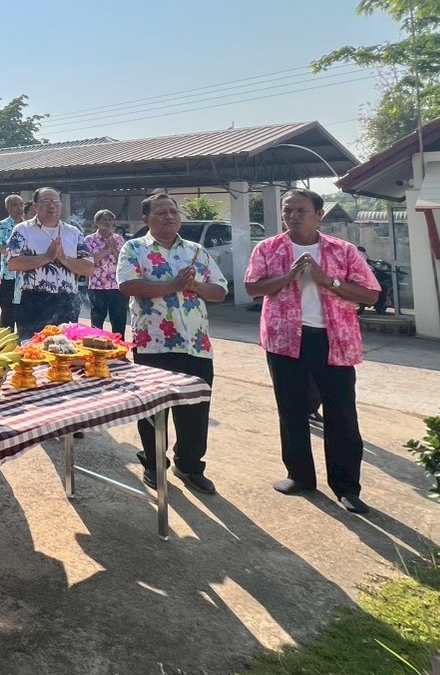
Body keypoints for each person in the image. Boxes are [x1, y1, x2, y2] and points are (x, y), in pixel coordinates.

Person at [244, 189, 381, 515]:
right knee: (291, 411)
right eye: (288, 210)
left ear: (319, 214)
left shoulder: (342, 250)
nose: (294, 216)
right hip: (284, 343)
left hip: (333, 341)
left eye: (301, 210)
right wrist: (287, 277)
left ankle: (347, 487)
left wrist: (327, 281)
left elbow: (371, 294)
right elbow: (252, 288)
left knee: (342, 415)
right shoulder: (268, 248)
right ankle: (300, 476)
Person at [116, 192, 228, 495]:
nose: (169, 217)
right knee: (153, 410)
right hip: (154, 344)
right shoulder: (134, 248)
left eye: (173, 212)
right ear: (146, 220)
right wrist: (172, 286)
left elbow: (219, 292)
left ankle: (190, 465)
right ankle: (154, 464)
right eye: (161, 212)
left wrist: (193, 285)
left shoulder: (196, 251)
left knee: (196, 408)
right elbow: (127, 285)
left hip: (196, 345)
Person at [5, 187, 94, 336]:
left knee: (65, 351)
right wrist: (46, 257)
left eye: (56, 202)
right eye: (46, 201)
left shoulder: (73, 232)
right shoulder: (22, 230)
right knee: (33, 351)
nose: (51, 205)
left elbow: (88, 268)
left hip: (67, 302)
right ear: (35, 206)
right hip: (35, 301)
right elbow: (13, 263)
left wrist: (63, 258)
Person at [83, 209, 127, 336]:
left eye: (110, 220)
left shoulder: (118, 239)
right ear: (97, 222)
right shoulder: (89, 240)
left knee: (119, 320)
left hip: (116, 285)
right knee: (97, 322)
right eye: (104, 219)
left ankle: (120, 350)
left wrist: (113, 249)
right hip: (97, 286)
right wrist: (105, 250)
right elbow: (89, 262)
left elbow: (123, 261)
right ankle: (97, 349)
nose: (108, 222)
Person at [0, 194, 26, 333]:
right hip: (9, 276)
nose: (19, 208)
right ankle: (5, 344)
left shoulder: (28, 225)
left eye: (20, 204)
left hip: (26, 277)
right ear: (7, 207)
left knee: (24, 313)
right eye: (14, 205)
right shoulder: (3, 225)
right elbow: (2, 248)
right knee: (8, 313)